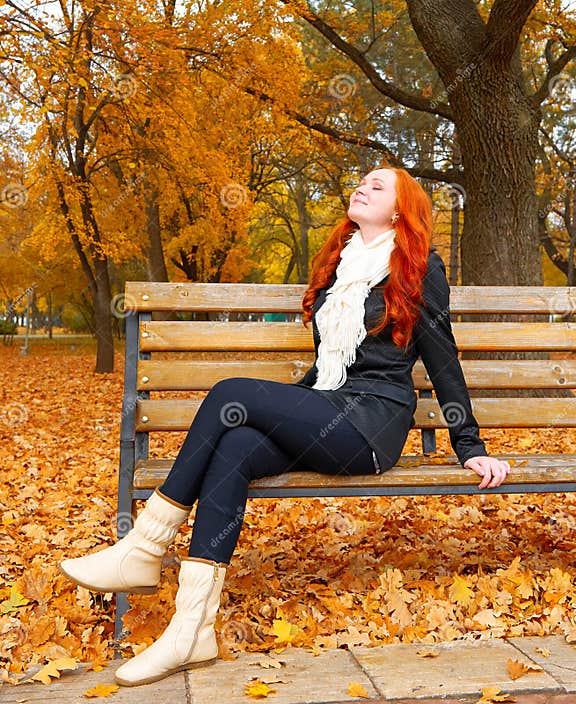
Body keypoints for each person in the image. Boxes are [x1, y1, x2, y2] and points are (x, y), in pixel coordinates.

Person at [59, 163, 511, 687]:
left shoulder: (417, 268)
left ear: (401, 209)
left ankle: (144, 547)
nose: (362, 187)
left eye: (377, 185)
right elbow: (326, 370)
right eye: (360, 181)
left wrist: (468, 444)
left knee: (232, 393)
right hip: (327, 411)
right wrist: (285, 413)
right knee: (237, 446)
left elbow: (442, 357)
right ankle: (191, 632)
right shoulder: (342, 265)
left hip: (371, 424)